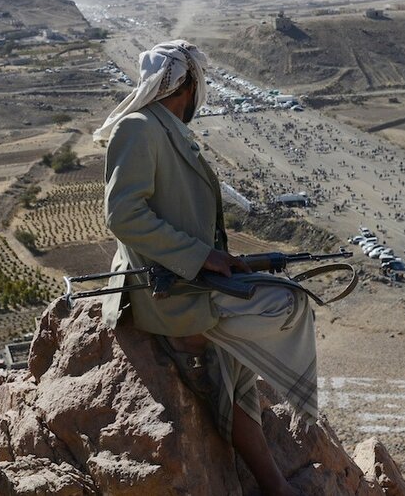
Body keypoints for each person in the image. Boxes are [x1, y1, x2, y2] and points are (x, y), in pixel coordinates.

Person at [94, 40, 315, 496]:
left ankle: (274, 481)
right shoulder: (138, 128)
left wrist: (212, 260)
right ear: (188, 83)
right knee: (286, 305)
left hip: (193, 276)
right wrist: (202, 257)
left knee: (246, 357)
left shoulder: (164, 126)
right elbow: (122, 215)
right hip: (170, 290)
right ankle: (276, 466)